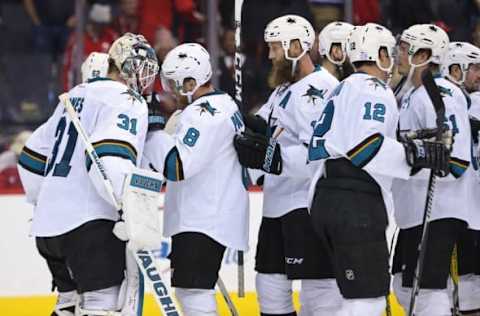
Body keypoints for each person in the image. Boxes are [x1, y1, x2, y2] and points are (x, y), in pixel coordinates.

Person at [307, 23, 451, 315]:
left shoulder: (343, 87)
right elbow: (365, 147)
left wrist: (411, 140)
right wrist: (417, 154)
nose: (394, 59)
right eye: (391, 51)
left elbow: (353, 140)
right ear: (380, 53)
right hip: (355, 202)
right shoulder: (374, 88)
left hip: (326, 195)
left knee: (343, 298)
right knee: (367, 301)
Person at [17, 33, 158, 315]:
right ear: (122, 67)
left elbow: (31, 158)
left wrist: (43, 200)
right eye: (139, 68)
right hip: (90, 225)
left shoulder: (72, 97)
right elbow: (108, 159)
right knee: (100, 306)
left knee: (68, 305)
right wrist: (129, 208)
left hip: (48, 229)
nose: (143, 77)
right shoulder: (128, 101)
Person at [234, 15, 343, 315]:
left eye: (275, 48)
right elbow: (265, 133)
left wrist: (274, 158)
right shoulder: (283, 89)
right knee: (269, 288)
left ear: (296, 47)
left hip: (306, 206)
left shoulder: (319, 89)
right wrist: (246, 125)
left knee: (318, 294)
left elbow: (321, 154)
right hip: (276, 205)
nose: (270, 56)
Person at [141, 43, 249, 316]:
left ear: (191, 82)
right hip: (207, 215)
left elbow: (177, 166)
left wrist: (153, 131)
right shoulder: (221, 104)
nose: (171, 92)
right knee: (193, 293)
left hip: (202, 218)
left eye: (175, 84)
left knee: (194, 294)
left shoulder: (204, 115)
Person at [391, 24, 472, 316]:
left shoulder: (441, 92)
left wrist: (421, 151)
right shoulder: (413, 91)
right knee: (403, 285)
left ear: (423, 54)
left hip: (438, 209)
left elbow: (458, 159)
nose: (398, 53)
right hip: (415, 209)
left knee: (427, 291)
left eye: (404, 48)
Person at [441, 41, 480, 315]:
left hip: (472, 208)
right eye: (476, 68)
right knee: (463, 286)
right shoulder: (448, 99)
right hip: (461, 210)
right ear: (456, 69)